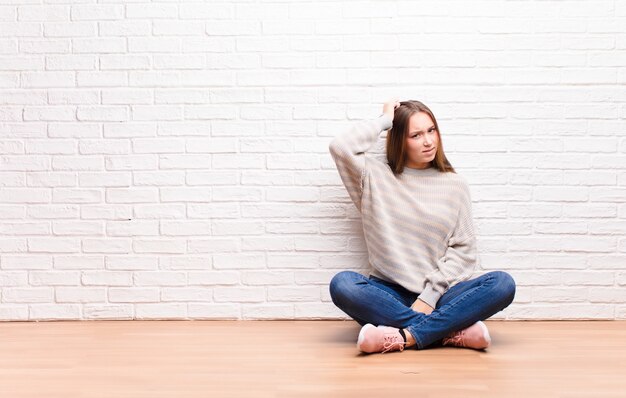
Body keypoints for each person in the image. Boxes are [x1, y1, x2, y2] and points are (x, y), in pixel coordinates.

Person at [328, 99, 516, 354]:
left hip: (440, 295)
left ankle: (402, 336)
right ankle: (449, 332)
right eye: (416, 135)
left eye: (431, 130)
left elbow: (463, 251)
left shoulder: (454, 185)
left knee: (502, 284)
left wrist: (429, 297)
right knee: (343, 285)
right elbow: (340, 147)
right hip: (388, 293)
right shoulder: (373, 176)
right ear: (399, 141)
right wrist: (384, 121)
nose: (428, 141)